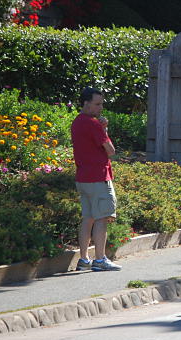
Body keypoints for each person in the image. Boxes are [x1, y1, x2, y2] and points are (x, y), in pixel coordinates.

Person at [71, 87, 122, 271]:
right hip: (98, 177)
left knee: (88, 218)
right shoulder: (93, 124)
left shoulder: (77, 122)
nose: (101, 108)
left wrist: (103, 127)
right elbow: (111, 151)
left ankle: (84, 259)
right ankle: (100, 259)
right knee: (102, 218)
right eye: (97, 104)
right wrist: (104, 129)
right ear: (86, 103)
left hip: (83, 178)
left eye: (101, 104)